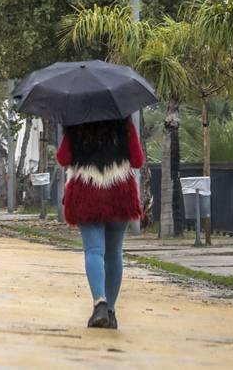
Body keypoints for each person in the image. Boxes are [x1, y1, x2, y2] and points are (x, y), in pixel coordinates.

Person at [56, 116, 145, 330]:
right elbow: (137, 160)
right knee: (113, 254)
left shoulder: (76, 121)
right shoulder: (124, 121)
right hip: (119, 192)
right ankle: (111, 312)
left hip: (87, 192)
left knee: (94, 251)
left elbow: (63, 157)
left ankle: (100, 304)